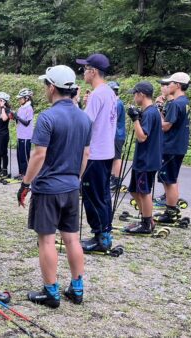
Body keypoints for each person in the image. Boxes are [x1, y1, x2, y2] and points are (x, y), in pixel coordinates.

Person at [17, 65, 91, 309]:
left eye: (45, 85)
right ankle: (77, 289)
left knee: (47, 241)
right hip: (71, 187)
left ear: (52, 87)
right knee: (72, 239)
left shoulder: (48, 117)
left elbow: (39, 155)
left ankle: (51, 292)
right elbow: (86, 154)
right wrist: (75, 179)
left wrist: (25, 183)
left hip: (48, 188)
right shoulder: (83, 117)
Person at [76, 53, 117, 253]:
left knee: (92, 195)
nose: (83, 73)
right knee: (103, 195)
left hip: (95, 153)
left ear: (93, 71)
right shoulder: (109, 92)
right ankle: (105, 233)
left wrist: (75, 105)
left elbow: (85, 122)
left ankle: (99, 236)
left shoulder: (97, 94)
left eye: (85, 69)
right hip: (107, 152)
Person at [123, 81, 163, 233]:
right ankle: (146, 217)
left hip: (146, 160)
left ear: (141, 94)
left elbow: (142, 137)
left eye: (134, 94)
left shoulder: (150, 113)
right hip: (143, 159)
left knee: (144, 192)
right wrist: (138, 118)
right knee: (134, 189)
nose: (134, 97)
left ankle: (147, 224)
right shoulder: (149, 112)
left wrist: (135, 119)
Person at [155, 72, 191, 223]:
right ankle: (172, 209)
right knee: (171, 178)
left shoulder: (176, 103)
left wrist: (155, 113)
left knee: (169, 180)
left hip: (171, 146)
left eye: (170, 84)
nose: (167, 86)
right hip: (178, 146)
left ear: (177, 85)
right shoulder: (184, 101)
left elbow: (166, 126)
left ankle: (170, 213)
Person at [108, 82, 126, 190]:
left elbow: (112, 119)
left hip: (117, 135)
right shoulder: (115, 103)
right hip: (115, 135)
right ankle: (113, 178)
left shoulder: (117, 103)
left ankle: (117, 180)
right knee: (113, 157)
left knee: (116, 158)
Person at [14, 88, 34, 179]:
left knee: (25, 156)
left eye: (21, 98)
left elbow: (27, 123)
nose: (19, 100)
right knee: (19, 155)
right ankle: (21, 172)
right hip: (20, 135)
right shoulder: (20, 108)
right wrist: (14, 117)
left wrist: (17, 117)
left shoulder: (29, 108)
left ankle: (26, 174)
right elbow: (18, 121)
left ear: (26, 98)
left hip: (26, 136)